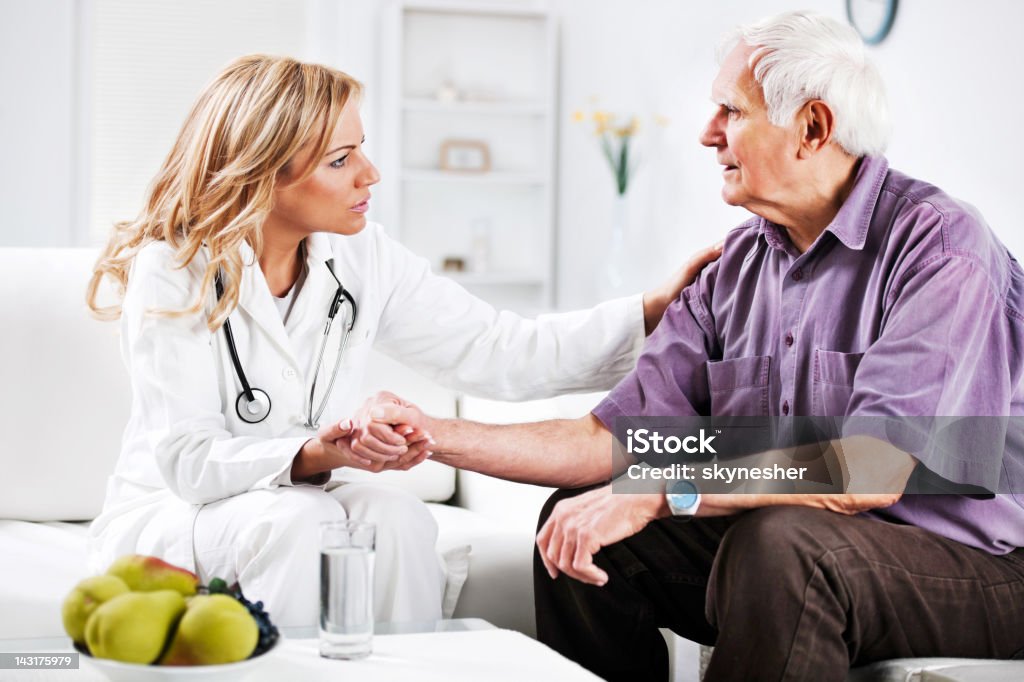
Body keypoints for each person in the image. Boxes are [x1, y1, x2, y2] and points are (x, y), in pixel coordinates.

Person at [363, 11, 1024, 681]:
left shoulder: (941, 250)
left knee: (781, 546)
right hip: (817, 544)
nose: (709, 134)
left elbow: (871, 468)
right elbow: (613, 444)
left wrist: (665, 489)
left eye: (730, 111)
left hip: (980, 566)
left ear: (813, 128)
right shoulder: (733, 269)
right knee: (573, 526)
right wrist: (429, 435)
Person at [83, 55, 720, 628]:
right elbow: (189, 462)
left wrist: (650, 312)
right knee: (298, 522)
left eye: (360, 149)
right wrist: (317, 452)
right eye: (341, 159)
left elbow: (501, 350)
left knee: (400, 519)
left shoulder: (361, 258)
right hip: (175, 514)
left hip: (294, 501)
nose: (371, 173)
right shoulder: (173, 268)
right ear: (263, 174)